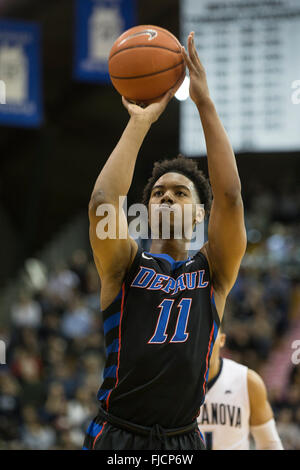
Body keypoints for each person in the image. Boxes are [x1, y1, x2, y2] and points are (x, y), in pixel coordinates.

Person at [83, 31, 246, 450]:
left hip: (183, 442)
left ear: (198, 216)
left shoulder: (213, 270)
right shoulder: (125, 265)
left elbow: (229, 197)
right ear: (147, 211)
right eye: (158, 193)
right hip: (117, 435)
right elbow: (103, 201)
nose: (167, 196)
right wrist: (140, 123)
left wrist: (204, 103)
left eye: (180, 193)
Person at [198, 326, 283, 450]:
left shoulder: (247, 380)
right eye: (198, 335)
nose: (204, 341)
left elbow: (270, 445)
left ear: (222, 340)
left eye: (210, 334)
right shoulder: (172, 383)